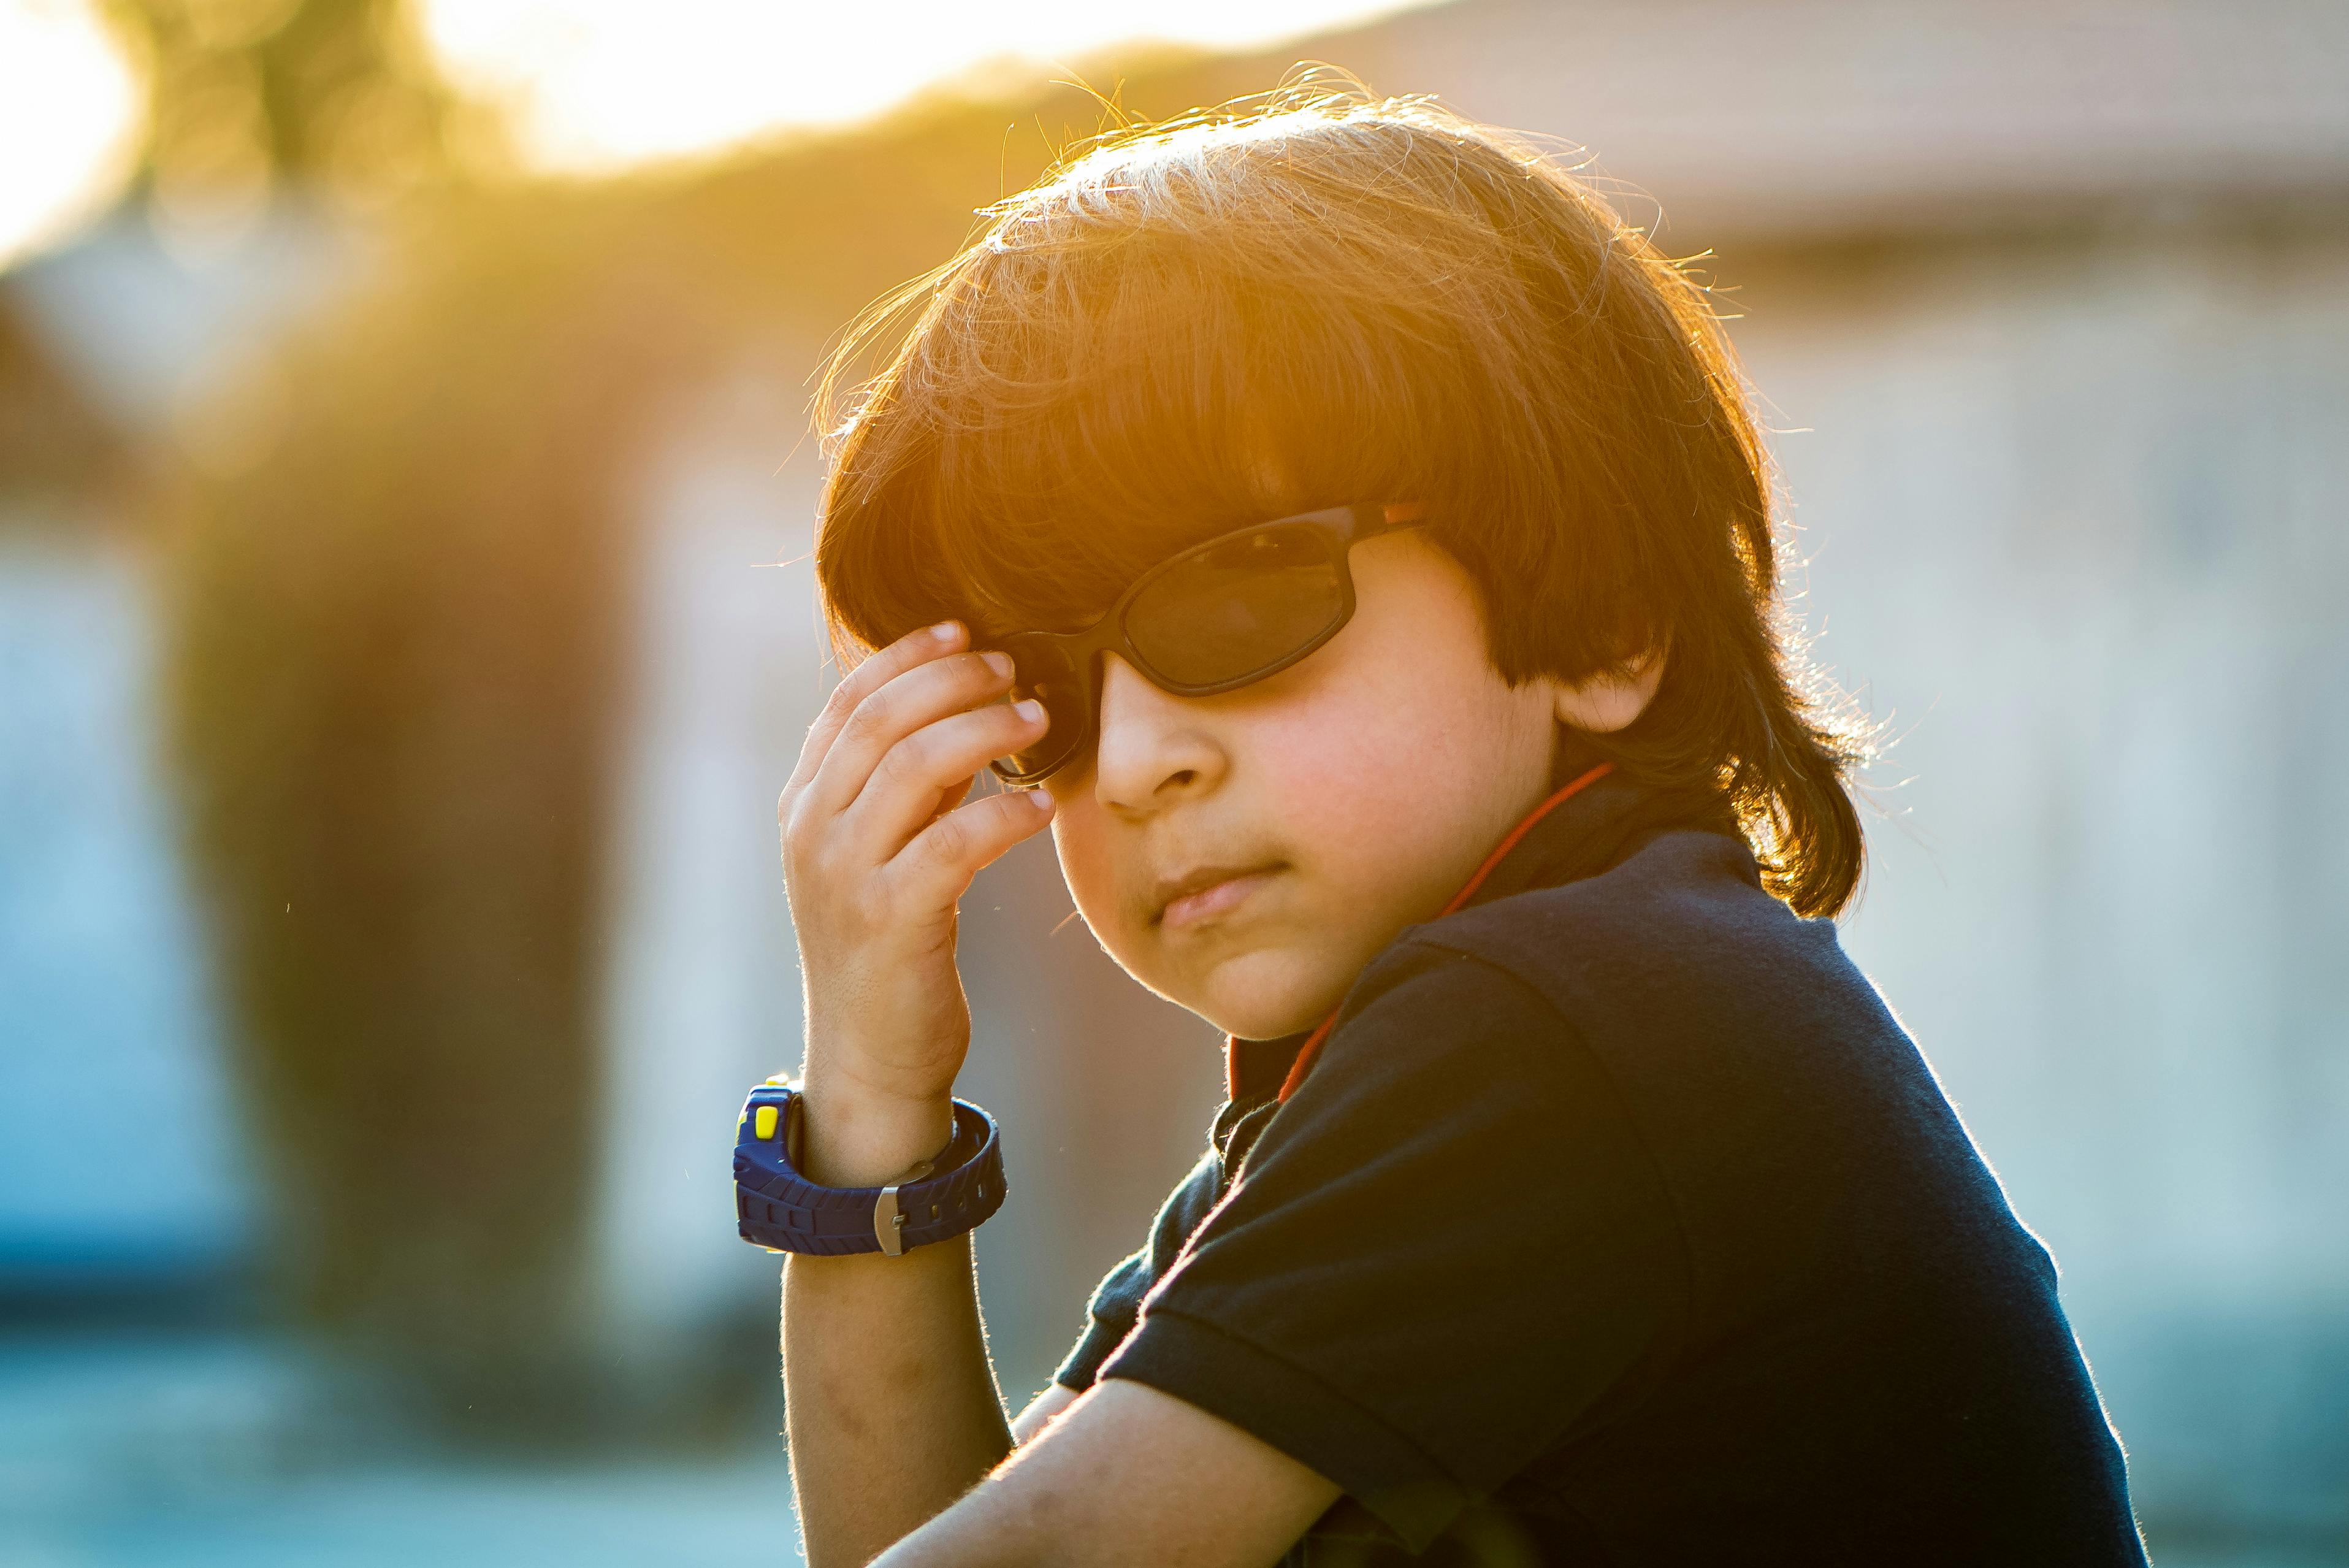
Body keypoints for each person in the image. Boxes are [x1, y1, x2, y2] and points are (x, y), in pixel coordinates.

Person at [756, 83, 2148, 1566]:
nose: (1146, 756)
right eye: (1045, 692)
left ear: (1603, 619)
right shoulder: (1398, 1068)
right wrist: (869, 1092)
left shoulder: (1573, 1021)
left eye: (1237, 604)